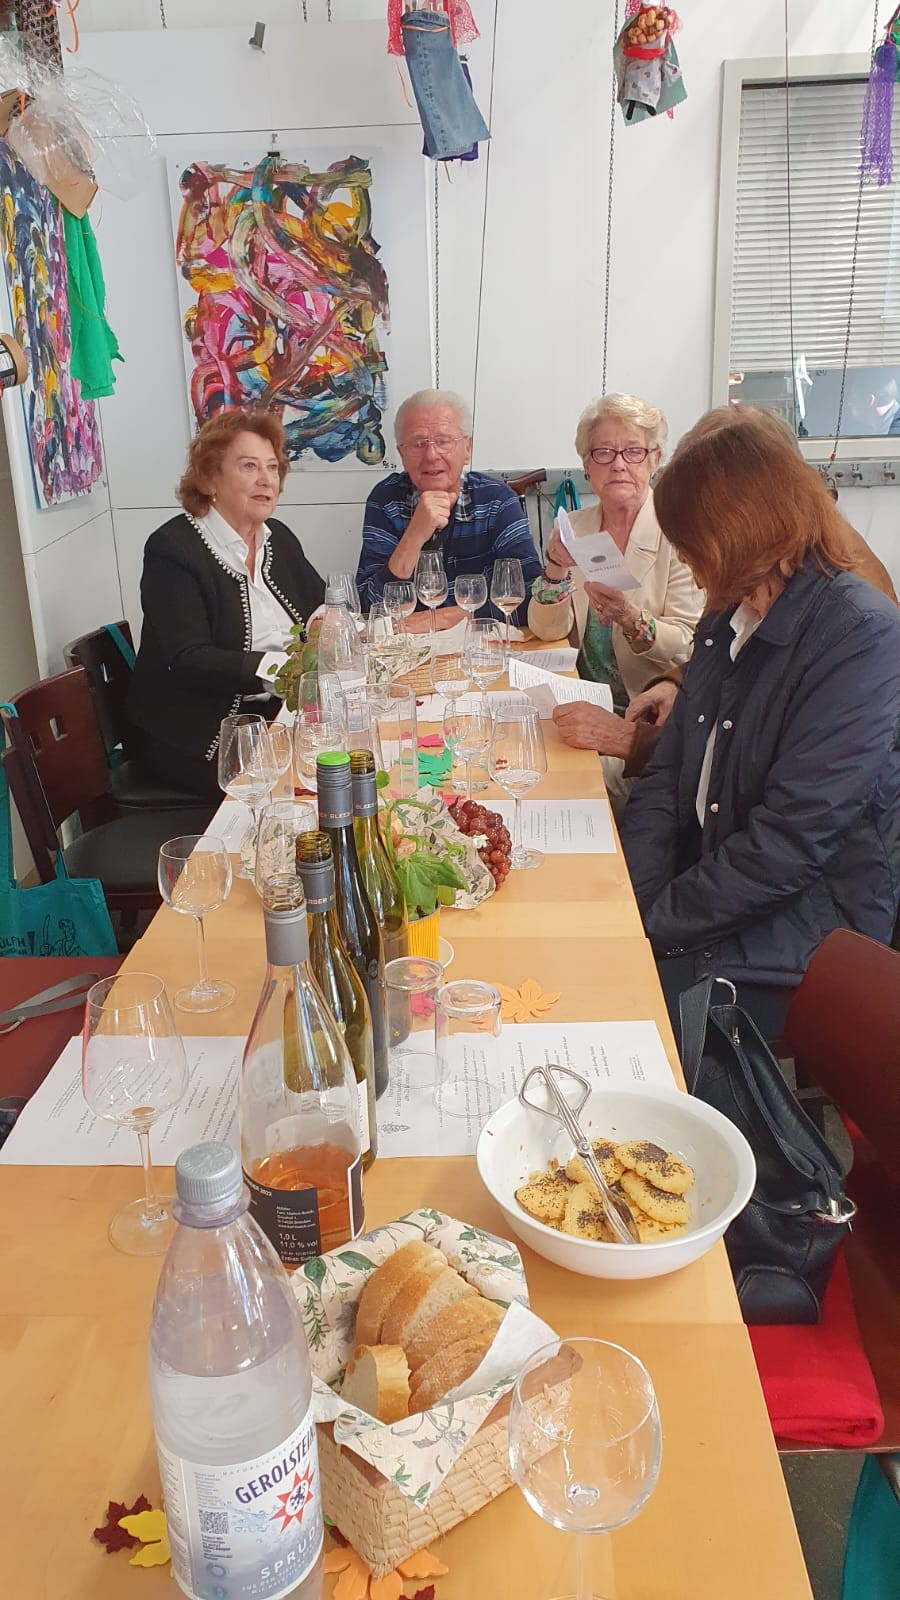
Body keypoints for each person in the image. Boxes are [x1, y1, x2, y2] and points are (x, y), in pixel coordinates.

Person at [620, 409, 900, 1045]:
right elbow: (667, 778)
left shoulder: (860, 636)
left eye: (692, 542)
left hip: (803, 932)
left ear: (738, 532)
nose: (685, 559)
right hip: (714, 888)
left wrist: (650, 926)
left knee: (618, 1019)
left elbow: (788, 845)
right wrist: (629, 904)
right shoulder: (728, 614)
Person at [619, 407, 899, 780]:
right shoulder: (754, 570)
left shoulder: (853, 615)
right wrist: (677, 683)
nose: (687, 559)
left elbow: (786, 758)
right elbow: (733, 657)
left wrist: (632, 742)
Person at [126, 410, 325, 799]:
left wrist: (329, 630)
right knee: (308, 786)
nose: (266, 479)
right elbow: (188, 657)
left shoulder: (277, 537)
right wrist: (283, 671)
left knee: (354, 752)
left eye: (272, 467)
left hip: (275, 714)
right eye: (249, 466)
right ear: (209, 478)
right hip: (198, 729)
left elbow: (319, 607)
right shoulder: (173, 549)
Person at [527, 393, 704, 804]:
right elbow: (546, 630)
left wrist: (632, 619)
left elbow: (689, 646)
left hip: (640, 721)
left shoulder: (680, 532)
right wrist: (555, 567)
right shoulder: (575, 526)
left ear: (655, 459)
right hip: (573, 702)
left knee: (550, 789)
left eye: (633, 451)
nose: (619, 464)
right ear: (587, 466)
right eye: (604, 452)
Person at [355, 388, 541, 628]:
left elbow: (532, 599)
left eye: (443, 441)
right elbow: (367, 608)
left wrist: (445, 618)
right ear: (402, 453)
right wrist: (415, 535)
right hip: (410, 649)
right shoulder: (386, 501)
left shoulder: (497, 501)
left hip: (481, 644)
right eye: (418, 444)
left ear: (467, 448)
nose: (431, 455)